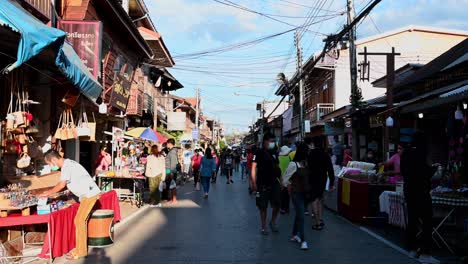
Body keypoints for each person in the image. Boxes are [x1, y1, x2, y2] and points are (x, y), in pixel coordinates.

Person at [40, 150, 101, 260]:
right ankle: (81, 249)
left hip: (89, 194)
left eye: (49, 164)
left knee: (79, 221)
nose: (50, 166)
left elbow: (61, 184)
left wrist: (48, 193)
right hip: (88, 194)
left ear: (53, 160)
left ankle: (81, 251)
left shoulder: (66, 166)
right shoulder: (69, 163)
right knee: (81, 221)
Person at [400, 133, 439, 264]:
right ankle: (425, 253)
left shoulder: (405, 154)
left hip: (409, 191)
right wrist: (434, 169)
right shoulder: (421, 153)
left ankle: (412, 249)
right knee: (427, 222)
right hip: (421, 192)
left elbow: (404, 172)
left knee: (412, 220)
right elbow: (424, 173)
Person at [251, 133, 281, 235]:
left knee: (277, 205)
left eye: (274, 141)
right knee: (263, 206)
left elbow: (277, 167)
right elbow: (254, 167)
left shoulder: (275, 152)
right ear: (265, 141)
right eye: (271, 141)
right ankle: (264, 227)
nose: (273, 143)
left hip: (275, 183)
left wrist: (281, 180)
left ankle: (272, 221)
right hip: (262, 184)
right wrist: (253, 182)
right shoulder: (258, 152)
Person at [282, 143, 311, 250]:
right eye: (307, 151)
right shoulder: (293, 165)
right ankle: (303, 240)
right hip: (296, 194)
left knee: (300, 214)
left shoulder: (307, 164)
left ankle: (294, 234)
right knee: (302, 216)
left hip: (306, 194)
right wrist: (290, 186)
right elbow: (285, 179)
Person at [306, 137, 335, 230]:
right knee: (320, 198)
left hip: (313, 179)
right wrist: (331, 182)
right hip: (323, 179)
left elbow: (307, 168)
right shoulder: (325, 154)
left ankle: (317, 222)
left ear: (313, 144)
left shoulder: (310, 154)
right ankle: (321, 219)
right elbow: (330, 169)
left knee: (314, 200)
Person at [278, 145, 292, 215]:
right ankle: (287, 208)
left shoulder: (278, 158)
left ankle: (282, 208)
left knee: (281, 195)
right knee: (287, 195)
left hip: (280, 179)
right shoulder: (289, 158)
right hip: (288, 179)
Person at [164, 138, 179, 203]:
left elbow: (173, 163)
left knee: (172, 185)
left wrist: (172, 173)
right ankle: (170, 198)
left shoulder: (172, 152)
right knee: (169, 184)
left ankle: (174, 200)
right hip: (169, 170)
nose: (166, 145)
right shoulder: (171, 151)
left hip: (170, 171)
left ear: (169, 144)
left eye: (167, 143)